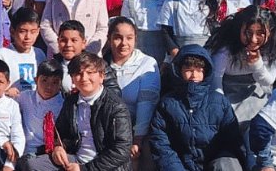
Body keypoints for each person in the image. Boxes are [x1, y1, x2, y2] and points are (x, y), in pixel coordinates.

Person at [148, 45, 245, 171]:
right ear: (179, 70)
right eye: (188, 69)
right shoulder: (167, 104)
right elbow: (161, 144)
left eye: (199, 69)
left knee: (227, 164)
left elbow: (233, 142)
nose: (194, 74)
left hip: (213, 164)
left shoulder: (220, 102)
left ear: (206, 72)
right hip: (180, 165)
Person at [49, 52, 133, 171]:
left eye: (90, 73)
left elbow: (122, 149)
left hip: (103, 166)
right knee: (32, 165)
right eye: (78, 73)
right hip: (75, 159)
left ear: (101, 76)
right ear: (72, 78)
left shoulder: (116, 107)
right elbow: (60, 132)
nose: (84, 78)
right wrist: (58, 147)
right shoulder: (71, 102)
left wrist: (84, 169)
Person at [206, 6, 276, 131]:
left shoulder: (272, 47)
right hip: (225, 89)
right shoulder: (225, 48)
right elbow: (215, 80)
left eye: (260, 33)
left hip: (257, 89)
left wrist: (256, 64)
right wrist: (221, 107)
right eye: (248, 32)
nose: (253, 39)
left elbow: (267, 81)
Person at [103, 17, 160, 165]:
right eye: (118, 38)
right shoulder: (100, 64)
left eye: (129, 38)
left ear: (135, 39)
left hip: (138, 129)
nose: (124, 43)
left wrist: (138, 138)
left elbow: (146, 103)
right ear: (109, 39)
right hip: (107, 128)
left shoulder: (147, 63)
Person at [15, 59, 66, 171]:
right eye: (44, 81)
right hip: (24, 150)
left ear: (60, 83)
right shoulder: (24, 97)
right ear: (35, 80)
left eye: (55, 82)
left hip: (48, 153)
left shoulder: (64, 105)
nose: (49, 86)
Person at [0, 8, 46, 95]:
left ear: (38, 32)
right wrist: (5, 93)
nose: (28, 37)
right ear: (12, 31)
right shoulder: (2, 54)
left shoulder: (39, 54)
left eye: (33, 32)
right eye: (23, 31)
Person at [53, 21, 88, 94]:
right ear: (58, 41)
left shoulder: (95, 65)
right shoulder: (52, 67)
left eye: (74, 40)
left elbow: (111, 91)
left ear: (83, 43)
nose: (68, 44)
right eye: (63, 40)